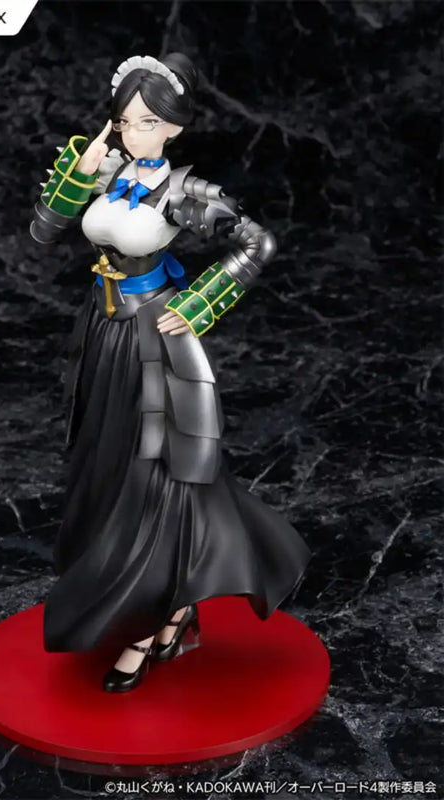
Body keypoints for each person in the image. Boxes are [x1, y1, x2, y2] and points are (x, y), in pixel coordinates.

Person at [29, 53, 311, 693]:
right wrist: (80, 174)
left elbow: (256, 242)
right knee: (104, 466)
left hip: (154, 340)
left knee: (154, 473)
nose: (135, 132)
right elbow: (44, 231)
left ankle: (153, 618)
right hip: (102, 335)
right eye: (126, 120)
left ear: (175, 126)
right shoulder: (107, 173)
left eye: (149, 121)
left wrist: (199, 303)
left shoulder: (184, 192)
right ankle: (170, 611)